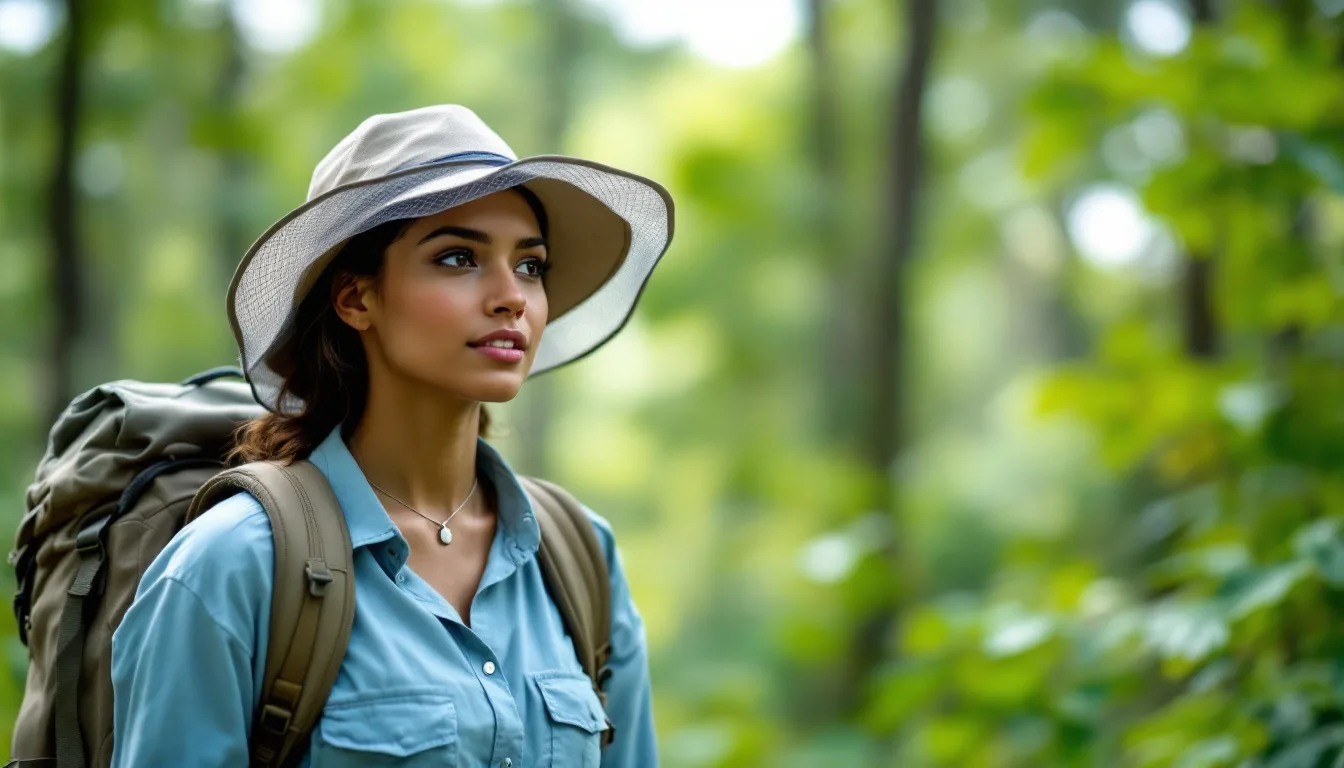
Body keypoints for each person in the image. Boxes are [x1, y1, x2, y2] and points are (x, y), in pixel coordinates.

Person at [108, 105, 673, 767]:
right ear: (356, 299)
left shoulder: (581, 558)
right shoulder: (232, 565)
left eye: (530, 266)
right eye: (459, 257)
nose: (511, 296)